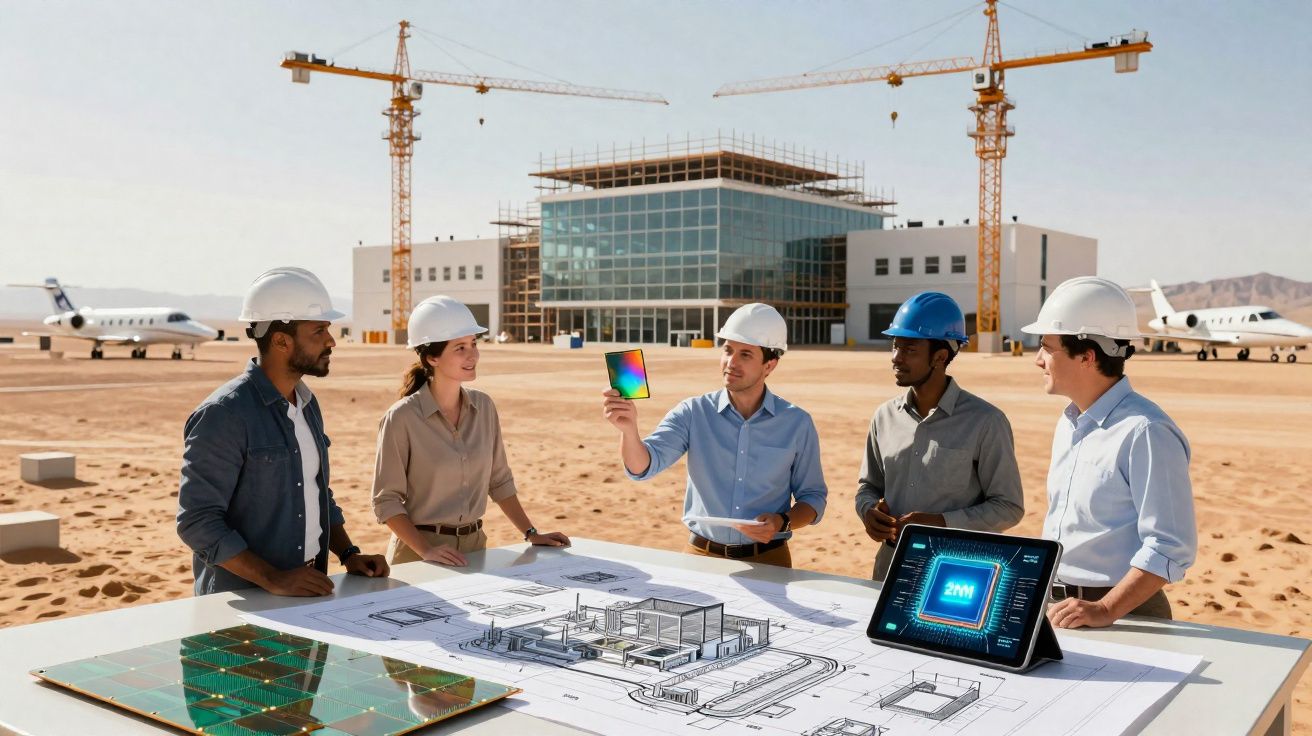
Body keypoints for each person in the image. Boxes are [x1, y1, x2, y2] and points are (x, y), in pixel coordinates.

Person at [177, 267, 388, 596]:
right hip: (242, 607)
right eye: (319, 331)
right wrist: (272, 578)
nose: (331, 341)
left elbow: (316, 493)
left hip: (308, 591)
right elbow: (197, 522)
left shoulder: (306, 403)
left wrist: (348, 554)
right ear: (280, 340)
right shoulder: (224, 414)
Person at [1021, 276, 1197, 627]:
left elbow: (1170, 546)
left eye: (1047, 347)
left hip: (1125, 614)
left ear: (1086, 356)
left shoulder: (1146, 431)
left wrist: (1106, 609)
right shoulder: (1070, 422)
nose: (1038, 360)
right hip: (1058, 608)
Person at [601, 303, 827, 567]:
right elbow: (643, 467)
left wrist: (782, 521)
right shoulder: (693, 412)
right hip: (700, 557)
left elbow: (812, 498)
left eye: (745, 354)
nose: (731, 363)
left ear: (770, 365)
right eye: (728, 350)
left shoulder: (797, 423)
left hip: (771, 559)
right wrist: (629, 431)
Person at [372, 296, 569, 566]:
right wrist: (426, 551)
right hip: (417, 554)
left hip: (476, 548)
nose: (473, 355)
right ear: (432, 357)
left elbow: (499, 481)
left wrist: (531, 533)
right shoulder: (401, 418)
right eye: (460, 348)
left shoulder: (484, 407)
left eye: (474, 344)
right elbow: (386, 501)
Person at [856, 292, 1024, 581]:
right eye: (895, 347)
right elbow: (868, 486)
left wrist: (941, 523)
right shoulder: (884, 417)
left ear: (941, 356)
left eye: (909, 350)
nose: (896, 358)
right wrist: (868, 511)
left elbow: (1009, 507)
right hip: (889, 569)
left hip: (955, 574)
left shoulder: (986, 422)